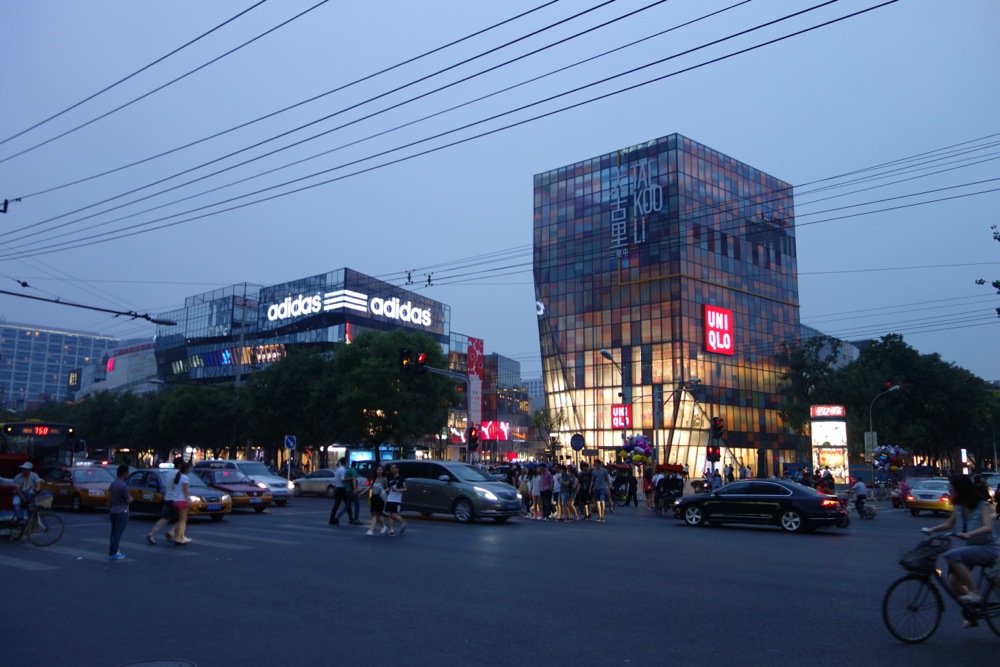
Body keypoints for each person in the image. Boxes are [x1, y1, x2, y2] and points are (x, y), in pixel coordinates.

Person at [924, 475, 999, 616]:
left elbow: (988, 527)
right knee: (953, 580)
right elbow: (949, 524)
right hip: (973, 548)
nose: (950, 490)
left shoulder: (982, 505)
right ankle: (973, 611)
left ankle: (975, 593)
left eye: (952, 488)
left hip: (989, 548)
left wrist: (969, 534)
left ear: (961, 490)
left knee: (952, 555)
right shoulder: (958, 507)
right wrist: (931, 530)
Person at [147, 458, 183, 544]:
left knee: (165, 518)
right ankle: (171, 532)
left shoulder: (169, 472)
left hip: (167, 498)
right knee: (183, 518)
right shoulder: (179, 474)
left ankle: (152, 534)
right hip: (175, 499)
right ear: (179, 465)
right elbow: (178, 487)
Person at [107, 464, 132, 560]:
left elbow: (110, 496)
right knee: (118, 533)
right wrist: (131, 499)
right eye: (128, 472)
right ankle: (114, 552)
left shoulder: (113, 484)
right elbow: (128, 499)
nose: (128, 474)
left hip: (113, 510)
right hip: (122, 511)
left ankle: (113, 550)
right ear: (124, 473)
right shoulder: (123, 486)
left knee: (113, 532)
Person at [328, 457, 355, 526]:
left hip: (338, 488)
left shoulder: (338, 469)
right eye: (347, 462)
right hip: (342, 489)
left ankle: (332, 519)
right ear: (345, 462)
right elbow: (343, 479)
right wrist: (350, 479)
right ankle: (351, 518)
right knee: (347, 504)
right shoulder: (343, 470)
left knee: (338, 505)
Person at [171, 461, 193, 546]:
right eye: (189, 468)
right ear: (186, 469)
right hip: (182, 501)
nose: (190, 470)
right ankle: (180, 538)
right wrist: (188, 500)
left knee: (181, 519)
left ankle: (180, 537)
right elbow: (185, 490)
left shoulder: (178, 476)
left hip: (175, 500)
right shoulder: (185, 478)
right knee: (183, 521)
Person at [364, 465, 389, 536]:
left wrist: (384, 491)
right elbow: (370, 487)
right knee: (376, 514)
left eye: (381, 470)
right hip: (374, 497)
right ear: (376, 471)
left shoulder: (384, 479)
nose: (379, 471)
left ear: (383, 471)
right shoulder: (374, 478)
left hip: (380, 497)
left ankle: (371, 530)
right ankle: (383, 526)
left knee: (375, 513)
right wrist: (363, 492)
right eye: (378, 469)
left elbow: (387, 488)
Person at [335, 461, 363, 525]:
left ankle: (337, 516)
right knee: (357, 505)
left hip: (347, 490)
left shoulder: (347, 470)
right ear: (355, 465)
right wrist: (355, 488)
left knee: (347, 505)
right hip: (352, 490)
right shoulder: (353, 470)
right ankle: (356, 519)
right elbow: (354, 479)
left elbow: (346, 479)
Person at [384, 463, 407, 537]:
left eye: (394, 468)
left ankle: (403, 523)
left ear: (397, 469)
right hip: (389, 498)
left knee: (394, 514)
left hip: (396, 499)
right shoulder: (391, 478)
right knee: (389, 514)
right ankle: (391, 530)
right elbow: (389, 487)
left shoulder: (401, 479)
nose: (392, 470)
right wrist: (385, 490)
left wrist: (397, 490)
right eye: (391, 468)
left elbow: (405, 489)